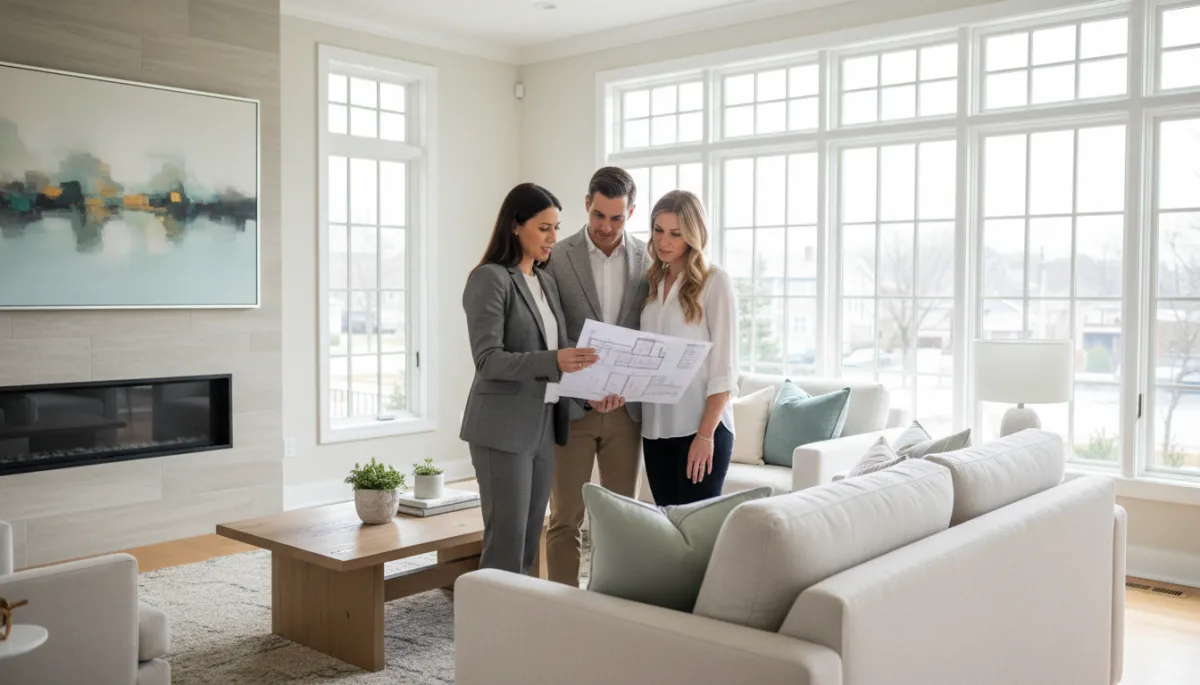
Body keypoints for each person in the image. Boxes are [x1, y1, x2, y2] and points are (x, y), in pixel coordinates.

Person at [459, 182, 599, 575]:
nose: (554, 238)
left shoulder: (544, 281)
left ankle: (521, 628)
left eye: (556, 227)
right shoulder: (489, 278)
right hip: (502, 429)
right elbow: (489, 360)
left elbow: (560, 354)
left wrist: (594, 390)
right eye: (544, 228)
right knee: (505, 543)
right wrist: (555, 360)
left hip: (543, 425)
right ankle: (491, 630)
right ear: (516, 226)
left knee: (528, 543)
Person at [542, 167, 650, 586]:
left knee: (623, 520)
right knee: (565, 518)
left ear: (631, 212)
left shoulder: (649, 259)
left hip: (627, 412)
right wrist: (586, 391)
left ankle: (610, 605)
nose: (606, 227)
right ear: (587, 204)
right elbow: (551, 326)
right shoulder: (557, 255)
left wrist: (626, 386)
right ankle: (563, 610)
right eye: (599, 215)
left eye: (617, 218)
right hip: (574, 409)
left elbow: (647, 331)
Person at [639, 189, 738, 506]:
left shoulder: (715, 282)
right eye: (658, 231)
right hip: (655, 431)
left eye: (675, 234)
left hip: (700, 429)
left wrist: (705, 435)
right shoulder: (652, 282)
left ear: (693, 235)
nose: (663, 242)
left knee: (695, 536)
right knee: (666, 533)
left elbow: (725, 370)